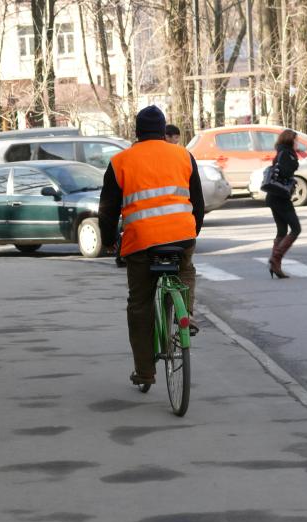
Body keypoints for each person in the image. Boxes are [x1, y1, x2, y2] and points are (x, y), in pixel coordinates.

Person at [99, 105, 204, 386]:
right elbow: (198, 202)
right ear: (163, 129)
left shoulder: (121, 161)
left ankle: (145, 370)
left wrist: (109, 242)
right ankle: (187, 314)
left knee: (140, 304)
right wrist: (193, 233)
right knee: (186, 270)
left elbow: (107, 210)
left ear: (136, 131)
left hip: (141, 242)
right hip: (181, 236)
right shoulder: (184, 155)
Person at [267, 129, 302, 279]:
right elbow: (286, 172)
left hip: (274, 196)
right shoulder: (287, 155)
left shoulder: (282, 152)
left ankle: (276, 265)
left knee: (282, 231)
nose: (298, 143)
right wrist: (295, 163)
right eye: (296, 140)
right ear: (290, 140)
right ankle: (275, 258)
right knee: (296, 228)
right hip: (280, 197)